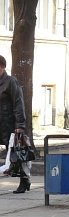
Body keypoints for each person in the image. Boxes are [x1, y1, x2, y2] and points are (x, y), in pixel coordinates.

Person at [0, 54, 30, 193]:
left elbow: (18, 103)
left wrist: (20, 125)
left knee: (17, 155)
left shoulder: (10, 82)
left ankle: (24, 181)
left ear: (2, 66)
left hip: (9, 125)